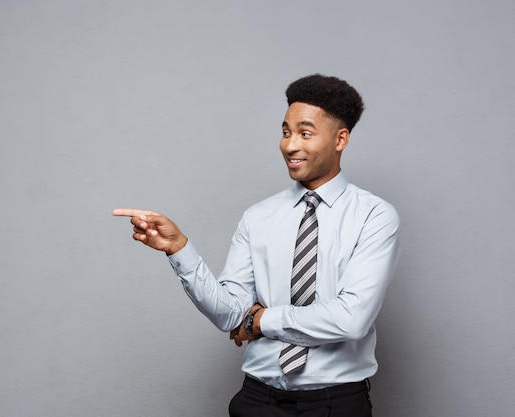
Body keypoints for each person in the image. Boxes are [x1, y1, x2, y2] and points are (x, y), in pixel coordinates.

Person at [113, 74, 400, 417]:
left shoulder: (374, 216)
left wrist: (262, 322)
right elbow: (230, 313)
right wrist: (179, 249)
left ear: (340, 139)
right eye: (285, 132)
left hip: (334, 405)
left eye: (305, 133)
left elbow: (351, 318)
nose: (290, 145)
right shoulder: (258, 217)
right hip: (258, 402)